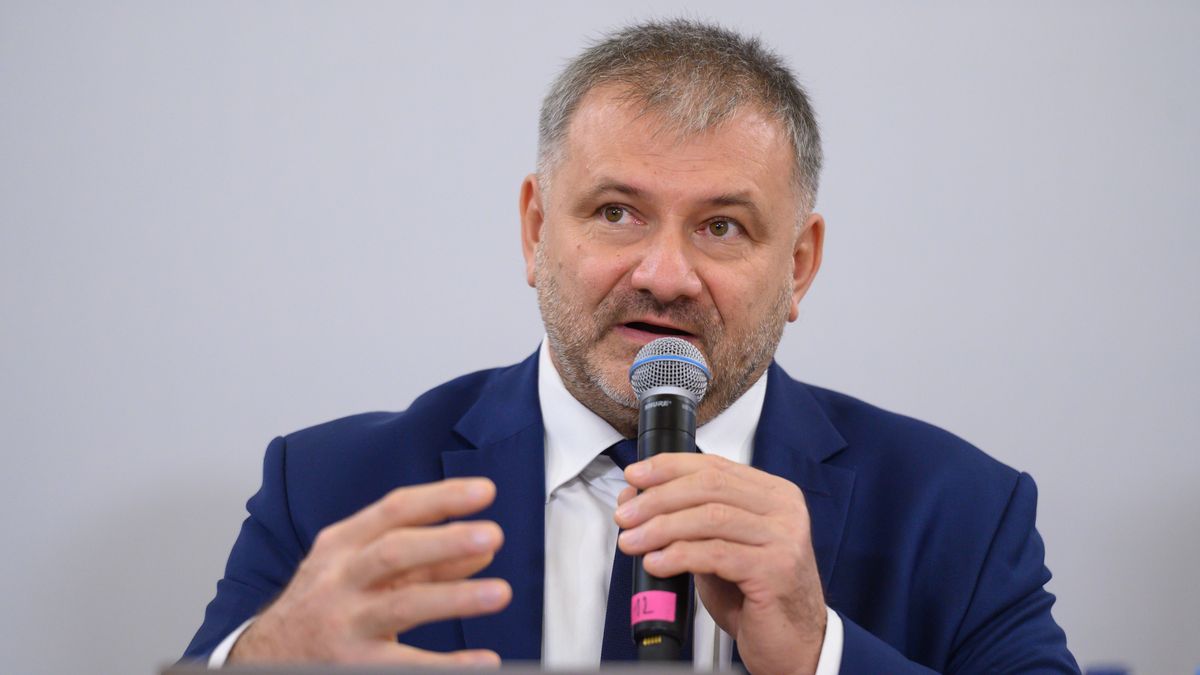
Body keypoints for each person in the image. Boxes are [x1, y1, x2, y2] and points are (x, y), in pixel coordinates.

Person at [183, 19, 1078, 673]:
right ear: (536, 231)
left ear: (798, 266)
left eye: (722, 226)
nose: (665, 272)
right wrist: (262, 661)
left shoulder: (959, 512)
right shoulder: (334, 488)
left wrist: (819, 651)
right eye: (617, 213)